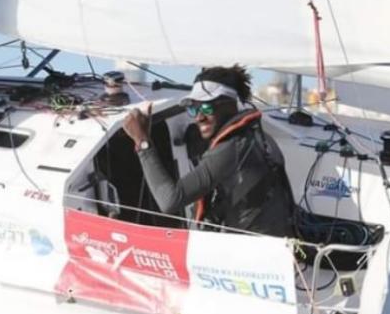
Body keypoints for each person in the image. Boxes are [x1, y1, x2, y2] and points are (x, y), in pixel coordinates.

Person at [122, 65, 295, 237]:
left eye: (207, 108)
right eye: (193, 108)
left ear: (229, 105)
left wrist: (142, 141)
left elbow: (169, 200)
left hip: (253, 248)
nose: (199, 117)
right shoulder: (260, 137)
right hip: (275, 242)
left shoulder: (231, 148)